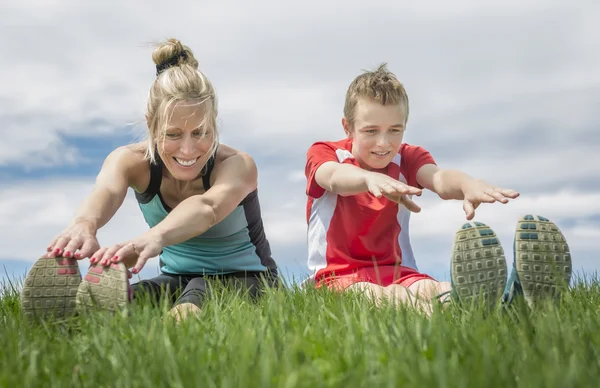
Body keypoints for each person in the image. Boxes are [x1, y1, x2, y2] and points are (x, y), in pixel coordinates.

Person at [20, 38, 279, 321]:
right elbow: (106, 189)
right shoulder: (131, 161)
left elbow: (208, 208)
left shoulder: (237, 165)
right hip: (176, 277)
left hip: (249, 278)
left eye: (201, 132)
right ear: (150, 124)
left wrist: (153, 237)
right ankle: (74, 322)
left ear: (214, 122)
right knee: (134, 299)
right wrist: (85, 224)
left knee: (191, 304)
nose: (188, 150)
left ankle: (177, 328)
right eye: (173, 134)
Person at [304, 63, 572, 314]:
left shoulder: (406, 158)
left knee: (435, 288)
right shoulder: (326, 153)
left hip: (398, 270)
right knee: (390, 297)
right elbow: (332, 177)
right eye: (371, 131)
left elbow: (439, 179)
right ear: (348, 127)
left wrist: (468, 184)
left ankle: (510, 304)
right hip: (338, 277)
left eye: (395, 130)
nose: (384, 142)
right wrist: (368, 179)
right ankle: (448, 316)